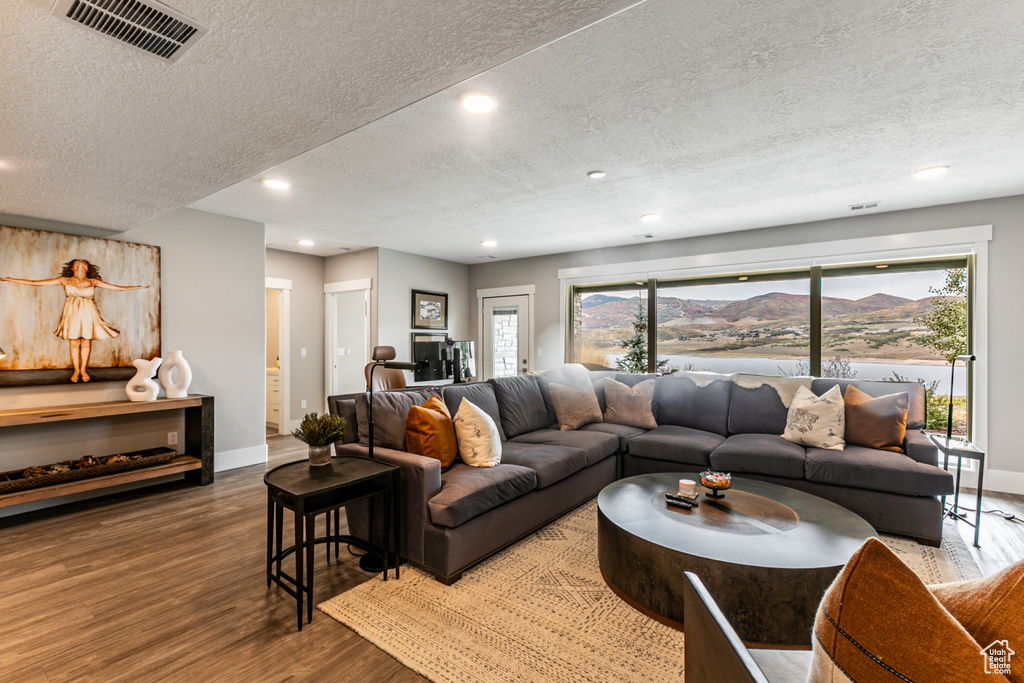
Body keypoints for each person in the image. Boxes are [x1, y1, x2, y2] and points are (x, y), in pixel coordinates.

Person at [1, 259, 148, 382]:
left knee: (86, 341)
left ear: (87, 268)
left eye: (83, 264)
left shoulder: (93, 282)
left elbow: (118, 288)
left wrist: (138, 287)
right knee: (73, 342)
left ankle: (83, 370)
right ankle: (76, 370)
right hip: (72, 313)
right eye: (77, 264)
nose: (80, 265)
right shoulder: (64, 280)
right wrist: (10, 279)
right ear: (72, 267)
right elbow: (35, 282)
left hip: (88, 312)